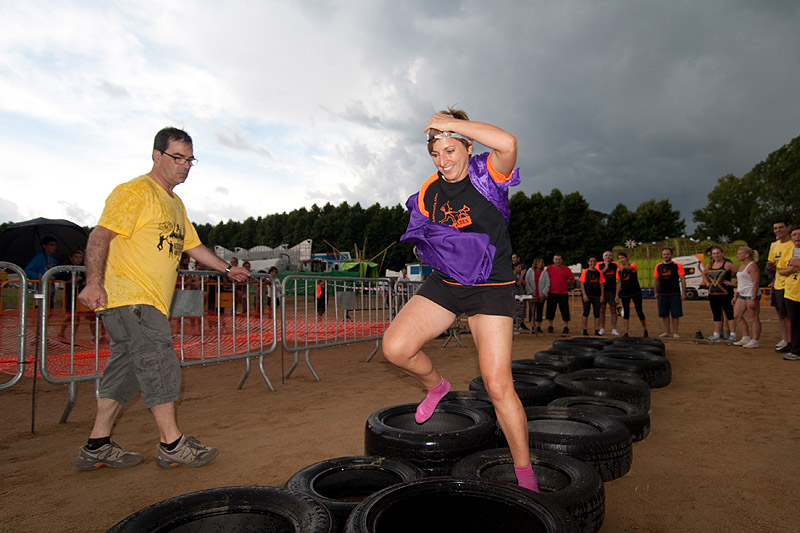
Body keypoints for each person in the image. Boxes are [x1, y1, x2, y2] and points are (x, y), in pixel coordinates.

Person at [74, 127, 250, 471]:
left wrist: (227, 269)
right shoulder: (134, 192)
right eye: (177, 157)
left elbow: (192, 246)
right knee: (159, 363)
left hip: (144, 303)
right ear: (157, 155)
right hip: (132, 298)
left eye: (190, 160)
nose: (184, 165)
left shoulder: (175, 203)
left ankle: (97, 444)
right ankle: (171, 444)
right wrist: (93, 282)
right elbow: (100, 235)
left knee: (126, 371)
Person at [382, 108, 538, 492]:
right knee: (396, 348)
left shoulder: (488, 173)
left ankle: (525, 474)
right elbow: (423, 230)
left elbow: (509, 142)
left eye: (450, 150)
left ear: (468, 146)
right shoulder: (428, 190)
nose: (443, 161)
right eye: (436, 154)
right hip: (448, 283)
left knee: (498, 386)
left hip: (491, 287)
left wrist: (449, 124)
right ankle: (437, 387)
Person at [766, 220, 793, 353]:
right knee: (782, 315)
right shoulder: (774, 245)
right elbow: (771, 264)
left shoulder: (794, 245)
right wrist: (772, 271)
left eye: (781, 227)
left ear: (788, 228)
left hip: (791, 285)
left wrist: (782, 270)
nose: (778, 230)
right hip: (778, 285)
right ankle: (787, 340)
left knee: (791, 316)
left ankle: (793, 342)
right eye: (775, 228)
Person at [701, 246, 738, 342]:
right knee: (716, 314)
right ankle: (716, 334)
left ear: (722, 254)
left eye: (718, 253)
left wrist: (733, 282)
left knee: (729, 313)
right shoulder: (710, 265)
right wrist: (707, 283)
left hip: (726, 294)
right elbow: (703, 273)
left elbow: (741, 272)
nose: (716, 255)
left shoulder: (727, 264)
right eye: (714, 253)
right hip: (713, 294)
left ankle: (733, 334)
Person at [731, 246, 761, 348]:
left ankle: (755, 340)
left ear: (747, 255)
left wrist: (753, 298)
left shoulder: (752, 266)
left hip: (750, 294)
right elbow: (740, 282)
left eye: (740, 254)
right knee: (737, 315)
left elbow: (756, 283)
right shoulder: (741, 267)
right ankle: (745, 337)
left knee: (754, 318)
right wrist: (735, 295)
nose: (737, 255)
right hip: (742, 294)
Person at [653, 248, 686, 338]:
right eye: (664, 254)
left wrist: (683, 293)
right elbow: (656, 280)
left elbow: (682, 279)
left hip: (674, 293)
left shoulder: (677, 266)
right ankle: (667, 331)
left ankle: (675, 332)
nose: (666, 256)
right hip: (662, 293)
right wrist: (655, 292)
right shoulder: (658, 266)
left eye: (667, 254)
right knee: (664, 314)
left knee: (675, 314)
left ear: (671, 255)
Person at [779, 226, 800, 360]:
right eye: (794, 235)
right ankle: (796, 350)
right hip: (791, 293)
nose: (797, 237)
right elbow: (780, 270)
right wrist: (790, 270)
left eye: (799, 234)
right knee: (795, 323)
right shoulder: (787, 252)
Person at [616, 251, 648, 337]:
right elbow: (619, 281)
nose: (621, 260)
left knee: (639, 311)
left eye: (623, 258)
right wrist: (617, 294)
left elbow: (632, 269)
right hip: (625, 292)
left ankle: (645, 329)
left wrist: (624, 267)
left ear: (627, 258)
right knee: (626, 311)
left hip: (635, 291)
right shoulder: (618, 270)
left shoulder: (632, 265)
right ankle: (626, 332)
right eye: (620, 258)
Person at [545, 254, 575, 334]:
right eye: (556, 259)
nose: (557, 261)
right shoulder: (549, 269)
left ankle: (566, 326)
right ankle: (550, 325)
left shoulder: (566, 269)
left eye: (559, 259)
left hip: (563, 293)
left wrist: (566, 285)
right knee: (550, 310)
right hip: (551, 292)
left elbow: (572, 279)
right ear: (553, 260)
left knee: (564, 310)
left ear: (561, 260)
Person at [596, 251, 620, 336]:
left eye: (610, 255)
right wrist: (605, 268)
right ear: (603, 257)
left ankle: (614, 329)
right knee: (602, 310)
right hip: (602, 291)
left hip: (612, 291)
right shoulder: (599, 265)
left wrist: (617, 294)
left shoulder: (615, 265)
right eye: (606, 255)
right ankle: (602, 328)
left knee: (613, 310)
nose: (608, 257)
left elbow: (619, 278)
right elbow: (597, 275)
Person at [579, 256, 605, 336]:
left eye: (594, 261)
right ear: (588, 262)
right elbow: (582, 283)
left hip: (596, 296)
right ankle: (584, 330)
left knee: (597, 313)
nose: (592, 263)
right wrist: (584, 295)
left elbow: (601, 284)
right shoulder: (585, 271)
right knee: (586, 312)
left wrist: (602, 295)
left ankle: (596, 330)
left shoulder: (599, 272)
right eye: (591, 261)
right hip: (588, 295)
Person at [524, 257, 549, 334]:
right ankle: (532, 325)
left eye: (541, 263)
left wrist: (543, 293)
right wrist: (530, 292)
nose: (540, 264)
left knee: (540, 310)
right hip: (532, 294)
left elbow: (547, 283)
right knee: (532, 310)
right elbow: (527, 282)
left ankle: (538, 326)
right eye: (539, 262)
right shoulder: (530, 272)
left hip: (541, 295)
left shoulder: (545, 273)